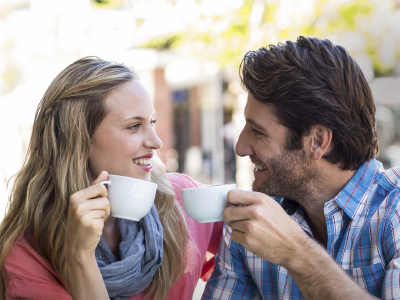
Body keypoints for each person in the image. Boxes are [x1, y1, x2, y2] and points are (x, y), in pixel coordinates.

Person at [0, 57, 223, 300]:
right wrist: (79, 257)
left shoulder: (180, 198)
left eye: (152, 122)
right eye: (134, 126)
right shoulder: (24, 258)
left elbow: (257, 242)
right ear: (79, 140)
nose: (156, 142)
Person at [202, 36, 400, 300]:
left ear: (317, 141)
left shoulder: (393, 213)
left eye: (258, 132)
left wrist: (296, 253)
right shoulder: (250, 224)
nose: (240, 147)